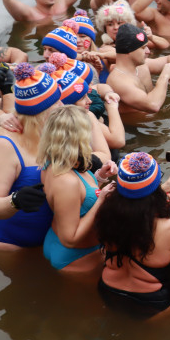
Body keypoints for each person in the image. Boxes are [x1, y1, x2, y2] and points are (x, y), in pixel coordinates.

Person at [95, 152, 170, 318]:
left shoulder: (106, 212)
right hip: (151, 305)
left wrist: (164, 187)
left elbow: (135, 203)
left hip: (108, 292)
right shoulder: (169, 229)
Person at [0, 62, 63, 251]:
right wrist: (15, 200)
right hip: (9, 241)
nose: (62, 106)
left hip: (47, 239)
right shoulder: (4, 145)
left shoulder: (52, 132)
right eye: (56, 103)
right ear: (40, 114)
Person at [39, 105, 116, 272]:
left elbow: (78, 198)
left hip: (61, 244)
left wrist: (100, 177)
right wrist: (101, 199)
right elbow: (70, 239)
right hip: (76, 256)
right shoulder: (66, 181)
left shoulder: (54, 163)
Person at [106, 23, 170, 114]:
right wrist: (165, 76)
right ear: (128, 50)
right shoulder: (117, 81)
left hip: (156, 121)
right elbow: (153, 105)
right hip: (139, 127)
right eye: (143, 48)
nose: (148, 51)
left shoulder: (142, 65)